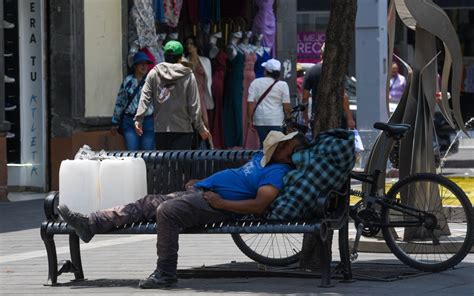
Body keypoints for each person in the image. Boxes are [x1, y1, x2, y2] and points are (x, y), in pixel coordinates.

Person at [57, 131, 306, 289]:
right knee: (147, 203)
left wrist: (221, 203)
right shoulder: (261, 161)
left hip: (214, 204)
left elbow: (259, 204)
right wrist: (201, 183)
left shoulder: (278, 172)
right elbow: (236, 179)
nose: (287, 146)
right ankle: (92, 223)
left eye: (289, 145)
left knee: (167, 210)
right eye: (286, 143)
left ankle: (166, 271)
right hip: (202, 193)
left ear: (286, 153)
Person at [134, 40, 210, 150]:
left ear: (164, 56)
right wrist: (200, 127)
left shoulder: (154, 73)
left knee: (164, 165)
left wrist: (138, 119)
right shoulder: (188, 75)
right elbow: (194, 105)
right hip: (183, 130)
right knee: (180, 165)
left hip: (161, 130)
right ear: (180, 58)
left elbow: (144, 97)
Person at [302, 43, 356, 130]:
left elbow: (305, 98)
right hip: (336, 118)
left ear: (321, 55)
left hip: (318, 118)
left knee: (319, 142)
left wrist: (305, 118)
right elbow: (343, 96)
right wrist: (350, 118)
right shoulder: (337, 72)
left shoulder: (311, 72)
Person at [112, 51, 155, 150]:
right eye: (141, 63)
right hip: (130, 121)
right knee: (132, 152)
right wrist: (115, 121)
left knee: (148, 154)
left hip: (147, 120)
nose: (144, 66)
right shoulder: (128, 81)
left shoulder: (151, 81)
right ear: (135, 65)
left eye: (146, 64)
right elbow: (120, 101)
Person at [247, 59, 291, 147]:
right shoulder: (283, 85)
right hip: (277, 121)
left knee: (263, 146)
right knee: (275, 147)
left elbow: (250, 103)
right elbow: (286, 107)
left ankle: (263, 160)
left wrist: (249, 120)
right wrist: (289, 121)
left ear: (266, 71)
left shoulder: (255, 82)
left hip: (260, 120)